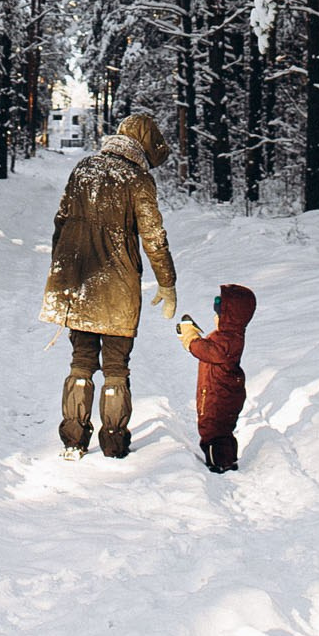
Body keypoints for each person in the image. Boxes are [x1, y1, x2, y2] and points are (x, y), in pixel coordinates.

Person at [40, 108, 178, 458]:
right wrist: (168, 283)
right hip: (119, 288)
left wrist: (62, 269)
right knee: (116, 367)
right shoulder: (138, 180)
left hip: (78, 283)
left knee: (81, 359)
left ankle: (73, 437)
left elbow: (61, 222)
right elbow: (153, 236)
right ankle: (114, 442)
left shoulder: (84, 169)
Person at [176, 282, 256, 473]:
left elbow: (207, 351)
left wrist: (190, 339)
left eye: (220, 308)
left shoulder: (228, 339)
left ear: (230, 314)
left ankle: (219, 463)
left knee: (213, 429)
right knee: (221, 428)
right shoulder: (229, 335)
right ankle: (226, 458)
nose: (216, 313)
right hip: (222, 389)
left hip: (218, 393)